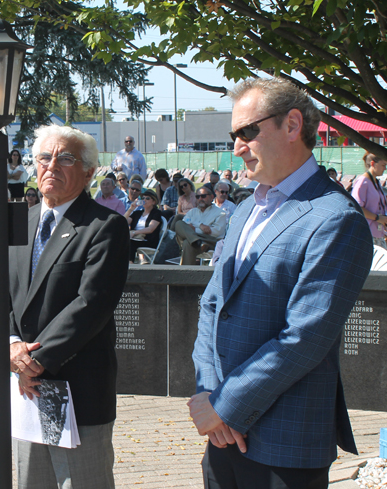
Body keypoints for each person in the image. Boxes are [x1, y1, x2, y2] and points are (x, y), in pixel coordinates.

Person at [189, 77, 373, 489]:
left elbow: (304, 338)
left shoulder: (335, 218)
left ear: (293, 125)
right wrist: (208, 395)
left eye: (247, 132)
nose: (237, 148)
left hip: (285, 444)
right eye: (233, 135)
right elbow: (212, 305)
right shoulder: (243, 211)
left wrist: (224, 405)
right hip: (222, 437)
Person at [9, 124, 129, 489]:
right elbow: (1, 291)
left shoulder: (105, 226)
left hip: (77, 389)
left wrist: (35, 360)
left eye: (65, 158)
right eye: (44, 157)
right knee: (32, 482)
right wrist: (12, 345)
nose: (52, 166)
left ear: (89, 171)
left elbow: (91, 304)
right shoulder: (18, 221)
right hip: (25, 390)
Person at [175, 186, 226, 265]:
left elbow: (216, 232)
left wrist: (194, 228)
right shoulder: (192, 212)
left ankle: (185, 273)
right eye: (197, 197)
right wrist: (200, 225)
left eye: (203, 196)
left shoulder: (220, 213)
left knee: (187, 242)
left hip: (210, 242)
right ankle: (197, 241)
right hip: (198, 243)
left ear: (212, 197)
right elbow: (185, 224)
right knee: (179, 223)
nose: (200, 199)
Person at [351, 152, 387, 249]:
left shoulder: (376, 182)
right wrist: (378, 218)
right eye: (383, 165)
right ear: (373, 164)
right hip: (367, 234)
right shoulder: (363, 182)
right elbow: (357, 207)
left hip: (378, 233)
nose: (385, 168)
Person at [124, 189, 162, 264]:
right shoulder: (137, 213)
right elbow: (123, 222)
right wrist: (131, 209)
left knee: (129, 242)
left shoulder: (156, 213)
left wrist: (134, 232)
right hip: (135, 238)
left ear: (153, 202)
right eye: (143, 198)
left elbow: (150, 229)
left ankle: (130, 263)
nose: (144, 200)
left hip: (148, 240)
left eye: (147, 198)